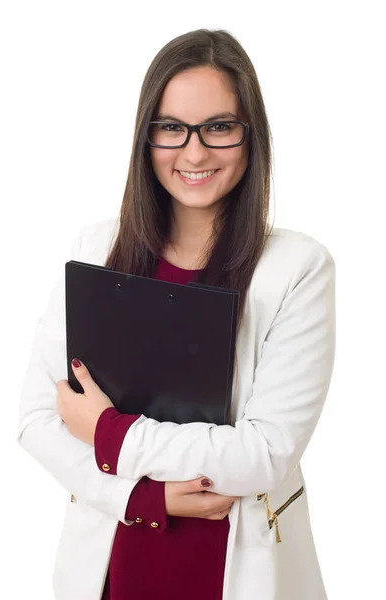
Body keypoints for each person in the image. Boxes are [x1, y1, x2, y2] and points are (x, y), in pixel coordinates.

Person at [17, 28, 336, 600]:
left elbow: (263, 455)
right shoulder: (96, 248)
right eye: (171, 128)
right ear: (147, 137)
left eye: (218, 127)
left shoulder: (298, 268)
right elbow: (39, 420)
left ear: (250, 135)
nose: (194, 153)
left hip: (232, 567)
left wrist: (109, 433)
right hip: (117, 558)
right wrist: (144, 498)